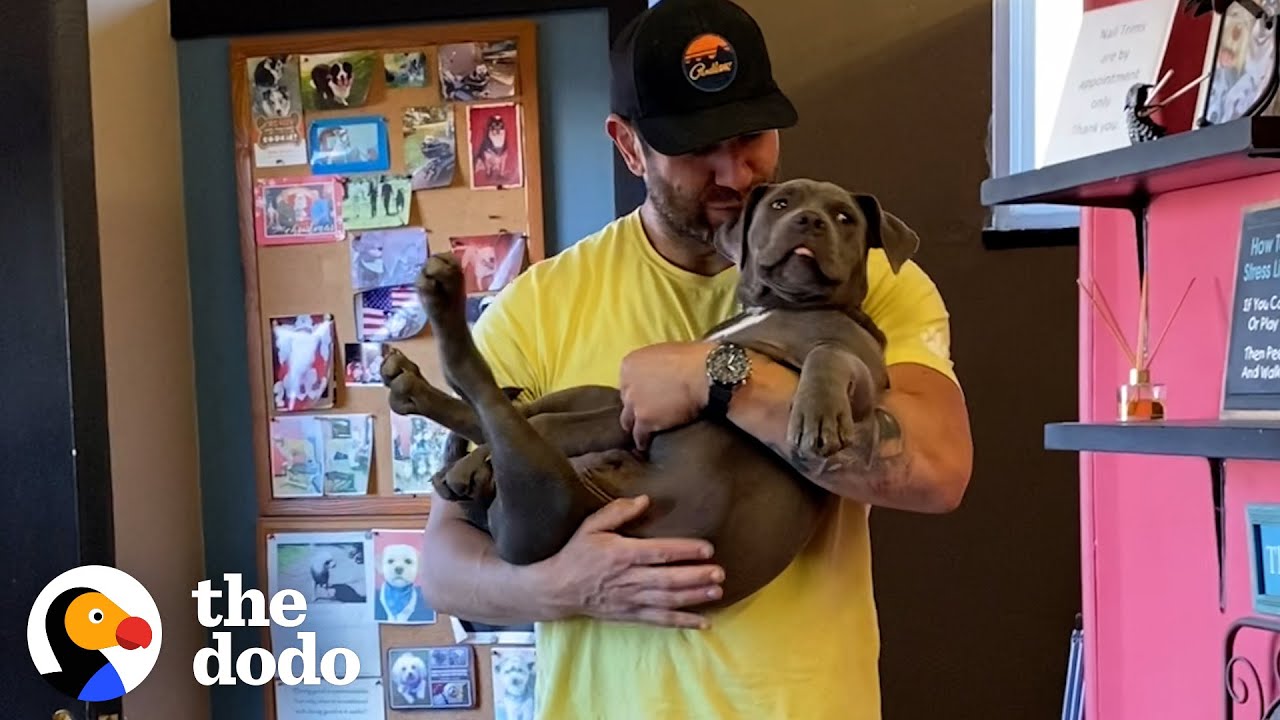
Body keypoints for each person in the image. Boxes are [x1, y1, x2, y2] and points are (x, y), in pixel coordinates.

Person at [418, 0, 974, 718]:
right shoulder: (540, 305)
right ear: (628, 146)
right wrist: (562, 587)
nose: (734, 172)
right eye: (694, 147)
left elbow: (938, 471)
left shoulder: (867, 278)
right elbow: (442, 559)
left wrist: (719, 379)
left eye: (752, 137)